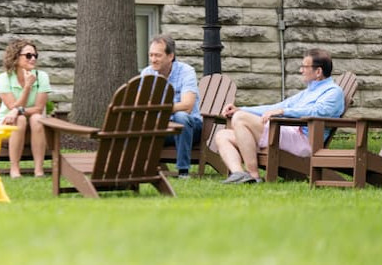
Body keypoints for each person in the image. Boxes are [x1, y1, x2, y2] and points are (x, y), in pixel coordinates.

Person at [215, 48, 344, 184]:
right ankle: (239, 174)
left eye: (305, 67)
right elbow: (275, 107)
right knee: (223, 135)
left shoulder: (333, 92)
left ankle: (253, 175)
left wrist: (284, 112)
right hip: (288, 133)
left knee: (241, 118)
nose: (301, 70)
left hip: (304, 140)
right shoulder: (308, 92)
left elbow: (317, 112)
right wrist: (241, 109)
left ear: (318, 72)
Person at [140, 34, 202, 178]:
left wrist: (159, 108)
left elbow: (187, 105)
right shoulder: (147, 73)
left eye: (158, 55)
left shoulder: (186, 71)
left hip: (191, 128)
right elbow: (141, 104)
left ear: (170, 56)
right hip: (162, 128)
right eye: (151, 55)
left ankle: (183, 171)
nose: (153, 59)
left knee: (181, 116)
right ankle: (134, 168)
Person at [0, 38, 51, 178]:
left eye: (35, 55)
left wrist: (17, 110)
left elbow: (38, 108)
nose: (33, 59)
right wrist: (27, 87)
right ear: (15, 57)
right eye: (28, 55)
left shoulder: (42, 76)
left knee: (37, 118)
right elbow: (11, 106)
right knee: (19, 120)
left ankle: (39, 170)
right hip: (8, 125)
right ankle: (14, 169)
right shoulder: (4, 78)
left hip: (34, 127)